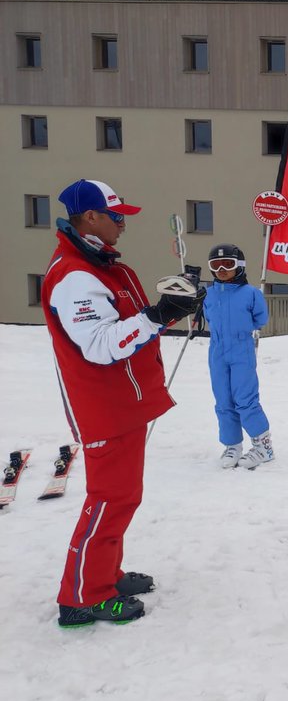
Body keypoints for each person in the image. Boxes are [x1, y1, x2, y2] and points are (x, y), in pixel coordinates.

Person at [42, 179, 204, 627]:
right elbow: (99, 344)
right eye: (116, 216)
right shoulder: (76, 275)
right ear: (90, 217)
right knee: (109, 499)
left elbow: (131, 323)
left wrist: (171, 309)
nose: (122, 223)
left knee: (123, 497)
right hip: (103, 407)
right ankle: (83, 596)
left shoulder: (102, 266)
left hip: (123, 402)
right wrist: (158, 315)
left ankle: (104, 575)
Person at [203, 243, 272, 468]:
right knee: (223, 400)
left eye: (227, 264)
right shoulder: (208, 294)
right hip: (217, 351)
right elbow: (207, 317)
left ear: (239, 265)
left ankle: (263, 447)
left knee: (245, 399)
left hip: (241, 349)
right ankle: (232, 445)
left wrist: (241, 331)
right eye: (216, 265)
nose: (222, 270)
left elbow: (260, 319)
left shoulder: (250, 293)